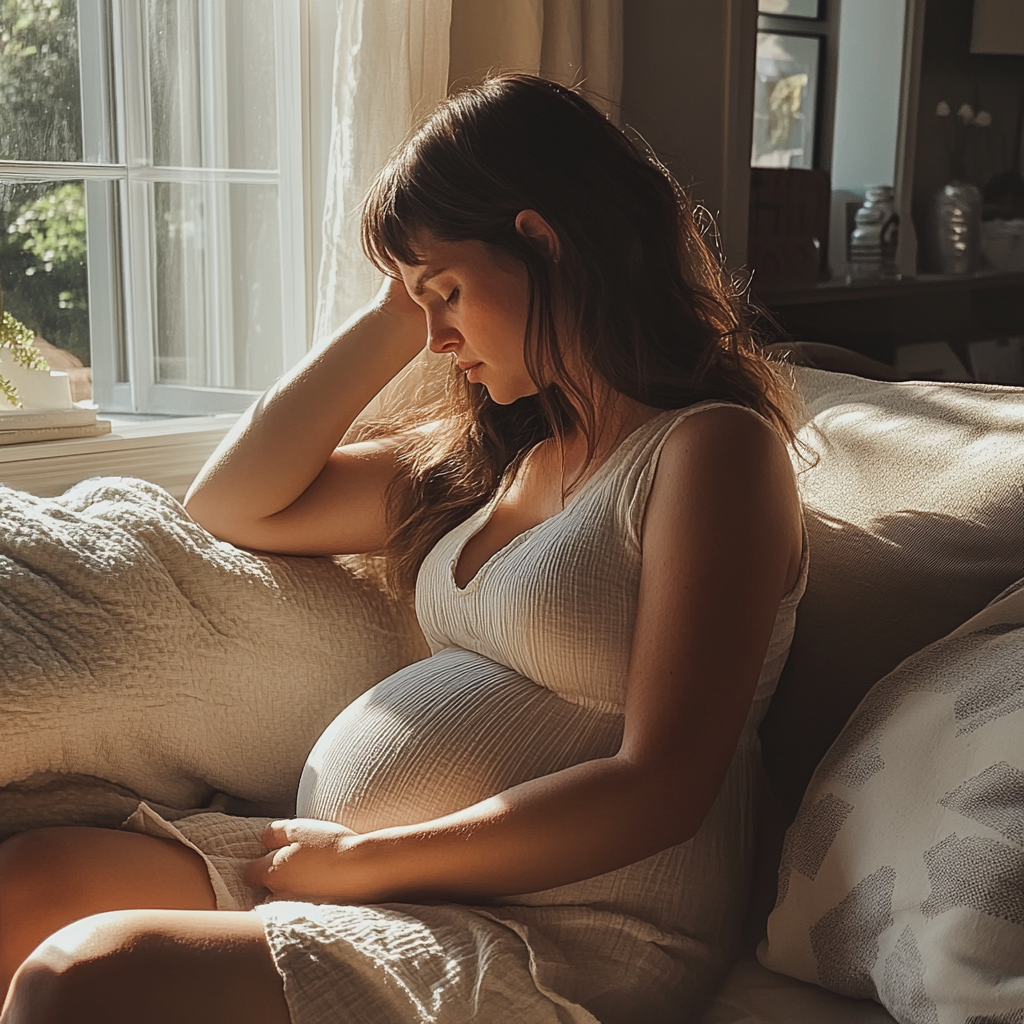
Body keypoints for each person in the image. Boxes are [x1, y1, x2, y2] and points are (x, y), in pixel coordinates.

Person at [0, 74, 806, 1024]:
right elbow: (231, 505)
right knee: (27, 886)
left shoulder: (710, 451)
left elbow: (663, 787)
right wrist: (403, 297)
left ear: (544, 242)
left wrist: (362, 863)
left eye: (450, 293)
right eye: (419, 303)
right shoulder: (501, 460)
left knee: (82, 974)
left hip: (566, 927)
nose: (435, 337)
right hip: (394, 875)